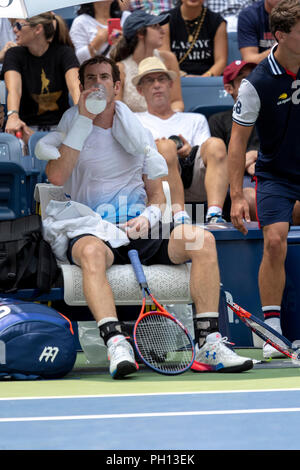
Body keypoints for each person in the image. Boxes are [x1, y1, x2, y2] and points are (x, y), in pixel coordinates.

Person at [37, 55, 253, 378]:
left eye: (104, 78)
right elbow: (56, 176)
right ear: (81, 88)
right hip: (91, 226)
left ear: (117, 86)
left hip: (139, 226)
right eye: (91, 79)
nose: (98, 84)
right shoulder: (70, 123)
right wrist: (82, 119)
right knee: (93, 252)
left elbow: (156, 195)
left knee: (202, 239)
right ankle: (116, 343)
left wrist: (149, 218)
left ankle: (208, 344)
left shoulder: (136, 129)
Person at [228, 0, 300, 359]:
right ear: (282, 35)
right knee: (274, 240)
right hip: (276, 176)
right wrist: (236, 195)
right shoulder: (256, 82)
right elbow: (237, 142)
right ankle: (272, 331)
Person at [134, 56, 229, 224]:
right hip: (156, 182)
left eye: (161, 79)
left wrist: (189, 150)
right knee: (164, 147)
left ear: (170, 84)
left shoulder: (195, 119)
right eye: (150, 81)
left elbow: (207, 152)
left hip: (194, 177)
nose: (157, 85)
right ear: (140, 90)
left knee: (217, 144)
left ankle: (214, 213)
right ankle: (178, 215)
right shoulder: (135, 120)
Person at [3, 12, 80, 145]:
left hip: (61, 130)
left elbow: (75, 88)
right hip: (27, 129)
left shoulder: (64, 53)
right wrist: (13, 115)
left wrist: (83, 114)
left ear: (38, 29)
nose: (14, 29)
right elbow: (14, 90)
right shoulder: (14, 55)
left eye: (19, 25)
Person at [209, 59, 258, 221]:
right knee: (252, 198)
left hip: (271, 177)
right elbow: (217, 163)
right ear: (229, 88)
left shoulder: (274, 114)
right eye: (243, 79)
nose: (251, 82)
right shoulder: (218, 120)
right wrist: (248, 160)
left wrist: (257, 158)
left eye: (253, 76)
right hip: (238, 183)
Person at [110, 9, 184, 112]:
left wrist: (169, 121)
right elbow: (117, 111)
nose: (163, 31)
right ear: (140, 33)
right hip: (134, 126)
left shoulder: (169, 59)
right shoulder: (120, 69)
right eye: (155, 27)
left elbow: (177, 101)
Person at [160, 0, 227, 77]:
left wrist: (202, 79)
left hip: (207, 80)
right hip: (174, 77)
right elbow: (164, 59)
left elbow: (221, 61)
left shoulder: (217, 21)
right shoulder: (165, 19)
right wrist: (183, 76)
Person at [237, 0, 280, 64]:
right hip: (261, 70)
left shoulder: (297, 14)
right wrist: (279, 48)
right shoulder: (249, 15)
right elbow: (249, 60)